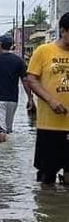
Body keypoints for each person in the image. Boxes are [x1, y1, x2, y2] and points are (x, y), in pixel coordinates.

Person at [27, 12, 69, 185]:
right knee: (46, 177)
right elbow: (31, 79)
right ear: (63, 31)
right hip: (50, 125)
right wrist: (51, 101)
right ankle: (46, 202)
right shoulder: (44, 51)